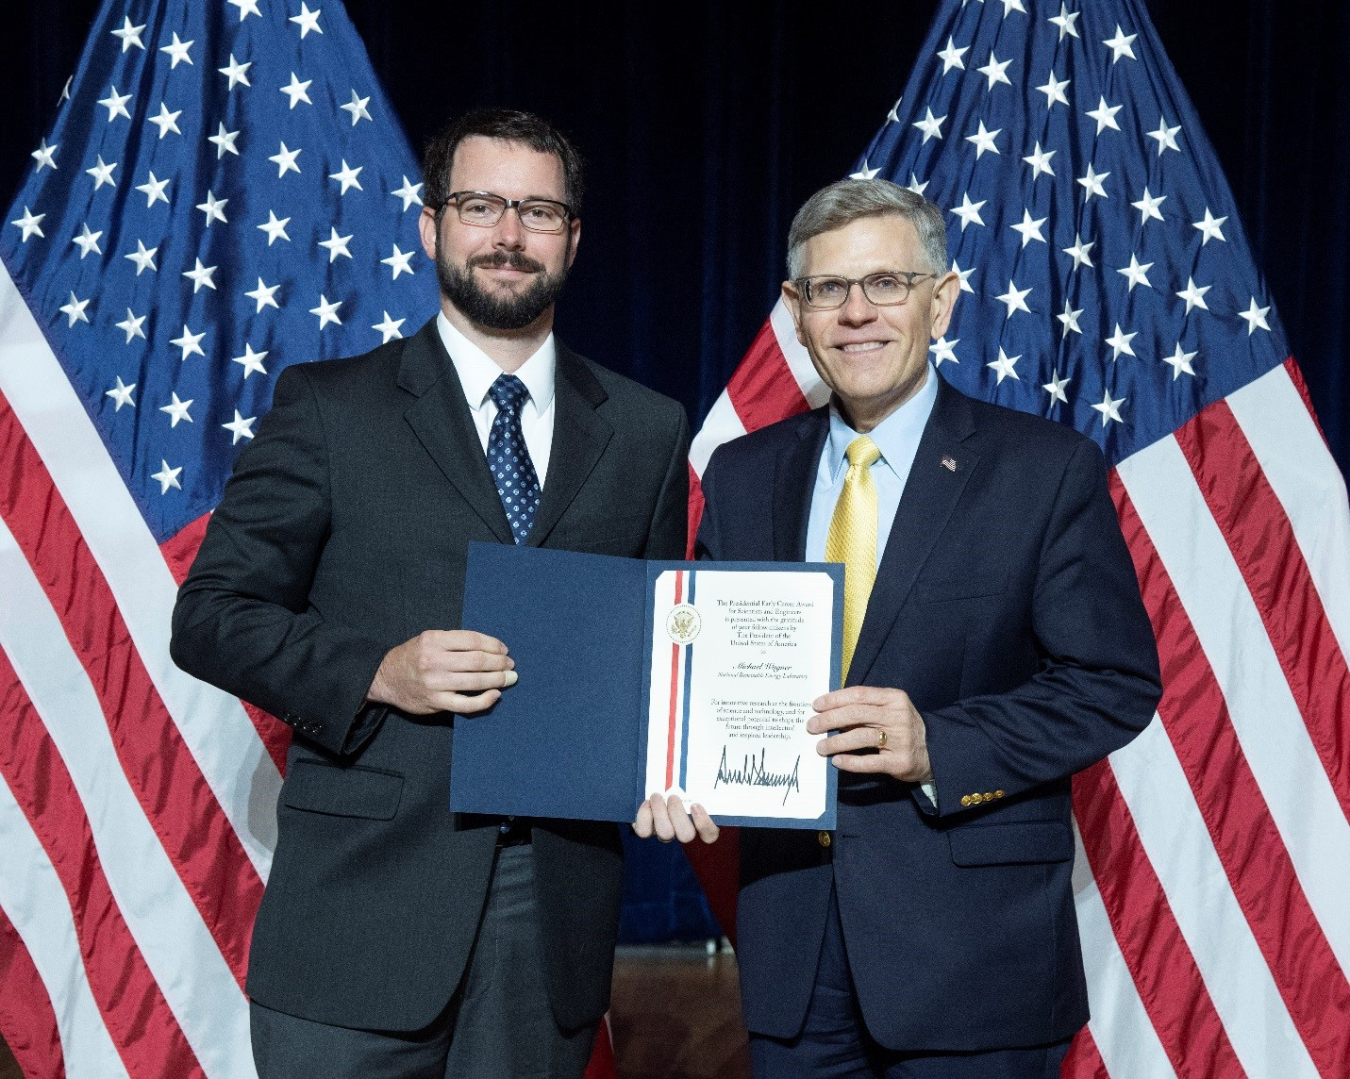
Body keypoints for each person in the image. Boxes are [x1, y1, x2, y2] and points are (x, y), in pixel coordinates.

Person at [171, 108, 690, 1079]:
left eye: (537, 210)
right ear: (431, 223)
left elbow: (656, 651)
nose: (508, 232)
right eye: (481, 203)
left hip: (551, 919)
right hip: (358, 921)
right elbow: (210, 615)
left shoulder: (647, 429)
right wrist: (377, 670)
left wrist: (676, 757)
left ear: (573, 237)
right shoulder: (328, 407)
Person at [637, 178, 1162, 1078]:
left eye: (886, 283)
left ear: (942, 300)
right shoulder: (741, 473)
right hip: (793, 953)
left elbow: (1112, 683)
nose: (857, 314)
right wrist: (672, 766)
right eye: (829, 290)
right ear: (797, 316)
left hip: (976, 963)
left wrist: (937, 745)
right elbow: (707, 668)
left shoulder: (1045, 470)